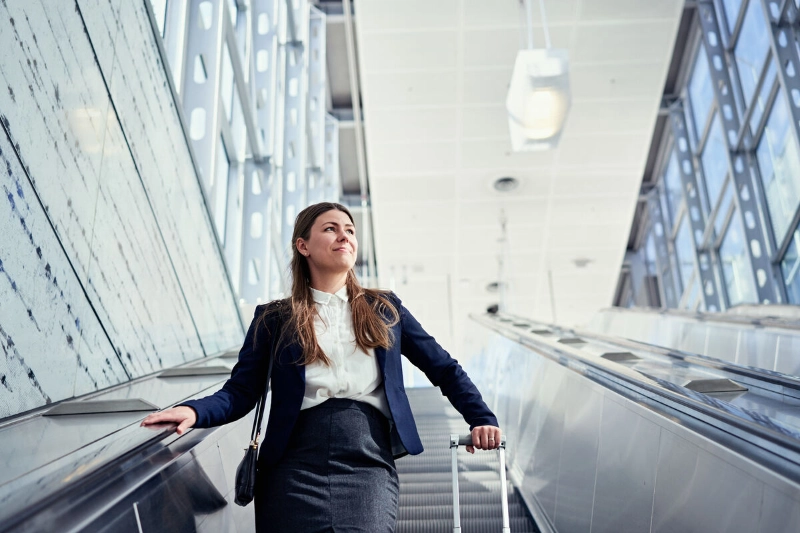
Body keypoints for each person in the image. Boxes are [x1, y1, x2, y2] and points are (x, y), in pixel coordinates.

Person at [141, 202, 501, 532]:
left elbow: (444, 368)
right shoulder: (274, 318)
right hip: (291, 465)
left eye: (350, 230)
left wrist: (481, 417)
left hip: (368, 461)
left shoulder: (386, 309)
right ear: (303, 246)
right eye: (330, 228)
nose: (344, 235)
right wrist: (193, 410)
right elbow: (241, 391)